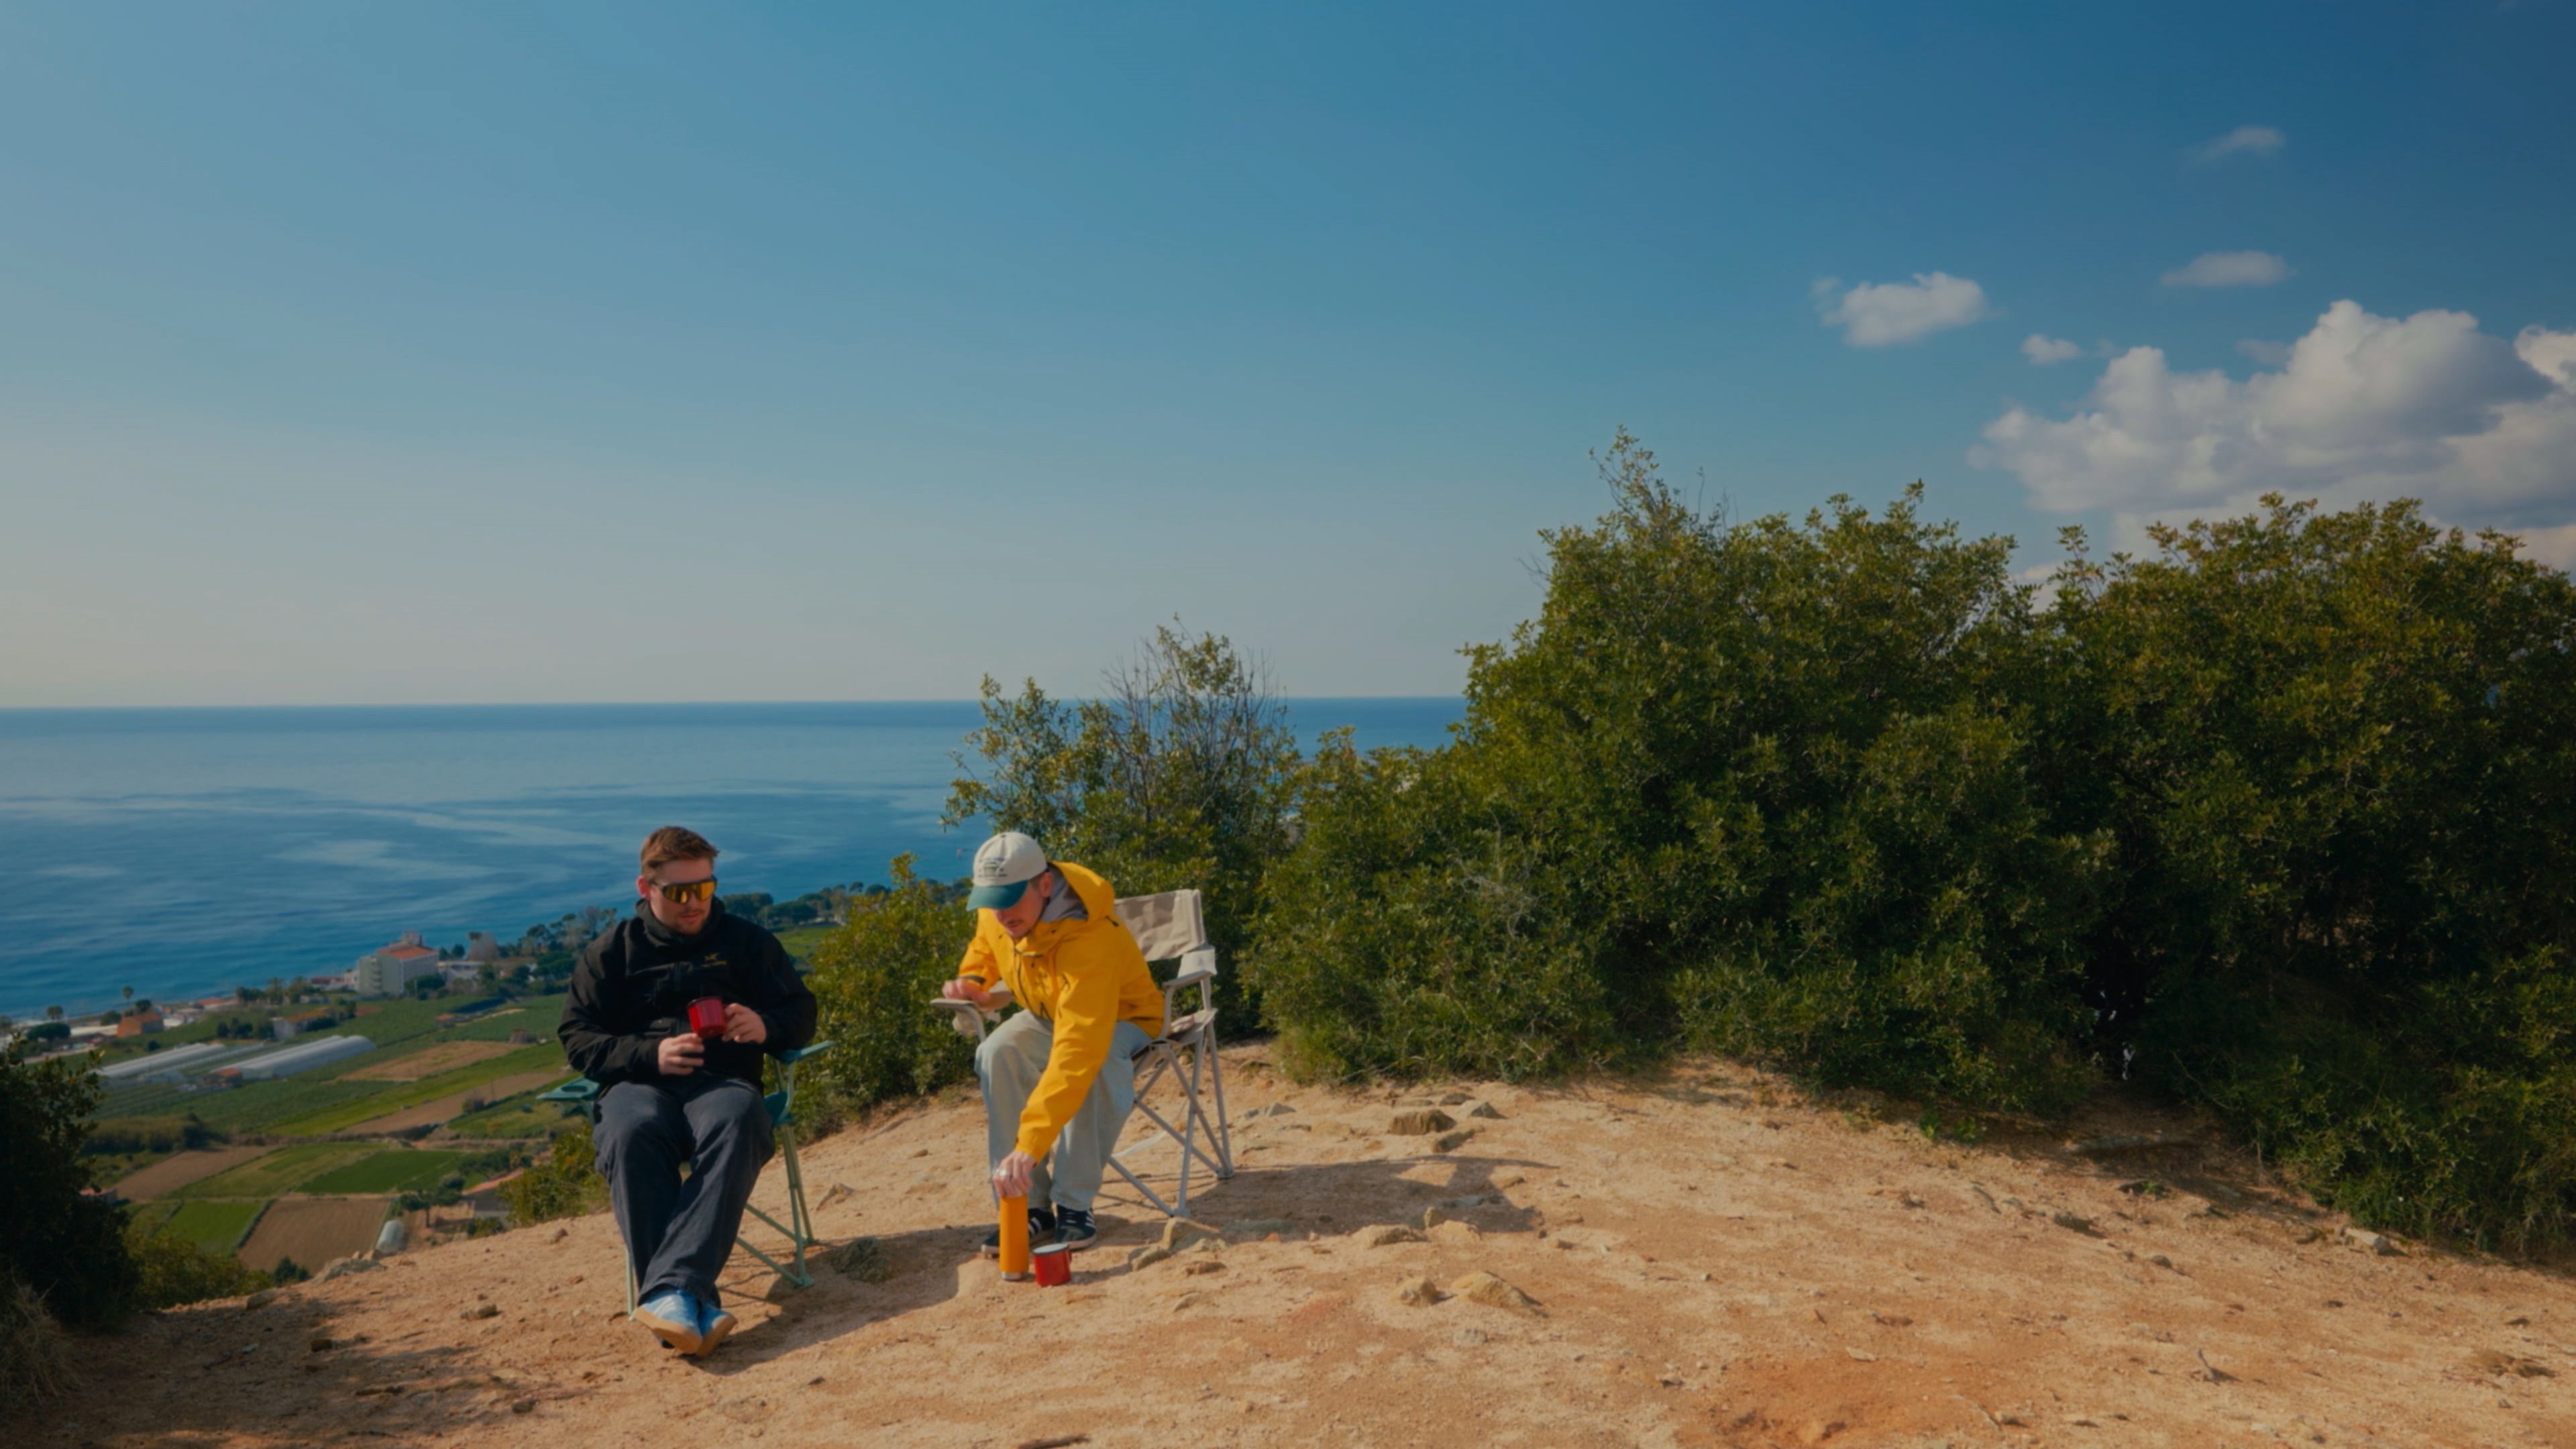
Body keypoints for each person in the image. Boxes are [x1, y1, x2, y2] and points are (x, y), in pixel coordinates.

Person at [558, 826, 815, 1358]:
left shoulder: (748, 944)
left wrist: (765, 1025)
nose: (695, 902)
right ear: (646, 886)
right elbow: (579, 1040)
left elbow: (801, 1012)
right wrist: (650, 1055)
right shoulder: (610, 954)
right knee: (630, 1132)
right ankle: (687, 1296)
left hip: (723, 1084)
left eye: (705, 887)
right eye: (679, 891)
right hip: (638, 1086)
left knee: (740, 1117)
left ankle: (671, 1296)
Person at [942, 830, 1164, 1253]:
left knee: (1095, 1064)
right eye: (993, 900)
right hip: (1048, 1012)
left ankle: (1074, 1203)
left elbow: (1078, 1048)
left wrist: (1030, 1145)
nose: (1002, 913)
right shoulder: (998, 911)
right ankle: (1030, 1207)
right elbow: (985, 945)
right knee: (996, 1051)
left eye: (1011, 898)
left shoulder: (1089, 940)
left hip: (1123, 1017)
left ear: (1044, 885)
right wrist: (974, 980)